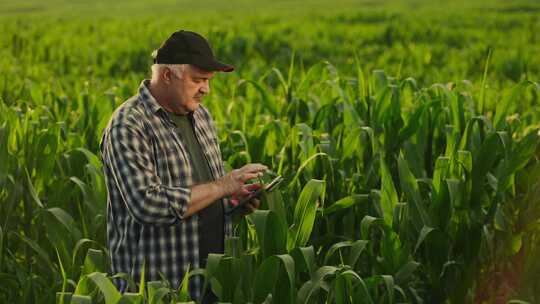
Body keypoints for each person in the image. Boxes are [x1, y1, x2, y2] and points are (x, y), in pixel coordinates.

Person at [99, 30, 267, 302]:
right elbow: (147, 204)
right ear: (167, 76)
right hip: (161, 289)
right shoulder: (128, 125)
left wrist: (232, 201)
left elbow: (204, 191)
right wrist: (224, 185)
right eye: (198, 80)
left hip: (212, 282)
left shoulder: (200, 116)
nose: (206, 89)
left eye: (208, 80)